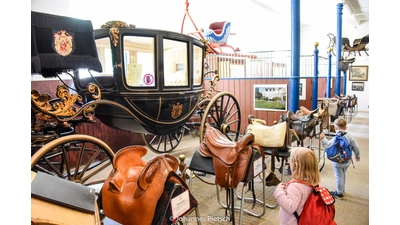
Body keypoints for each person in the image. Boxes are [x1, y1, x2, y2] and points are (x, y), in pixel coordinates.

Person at [273, 147, 321, 225]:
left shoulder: (295, 187)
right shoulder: (312, 183)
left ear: (295, 165)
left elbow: (290, 207)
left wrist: (278, 191)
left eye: (290, 160)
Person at [320, 117, 361, 199]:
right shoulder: (350, 136)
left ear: (335, 127)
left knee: (339, 176)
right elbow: (356, 147)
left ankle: (339, 193)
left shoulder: (335, 138)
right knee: (343, 175)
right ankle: (342, 189)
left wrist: (323, 138)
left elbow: (328, 145)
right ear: (346, 127)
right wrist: (357, 156)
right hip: (347, 161)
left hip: (337, 161)